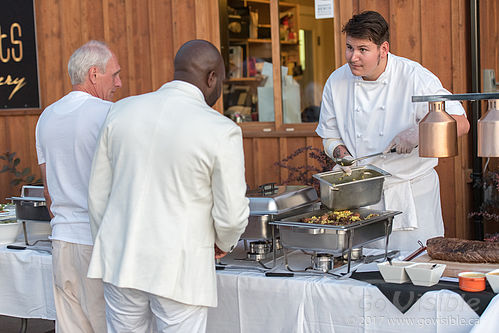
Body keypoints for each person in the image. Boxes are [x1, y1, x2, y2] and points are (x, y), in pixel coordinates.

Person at [86, 39, 249, 332]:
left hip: (121, 257)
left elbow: (98, 195)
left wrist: (111, 240)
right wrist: (223, 242)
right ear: (212, 78)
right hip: (180, 266)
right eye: (220, 82)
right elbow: (232, 214)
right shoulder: (220, 130)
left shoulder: (121, 111)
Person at [316, 11, 470, 251]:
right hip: (362, 197)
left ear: (383, 49)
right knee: (364, 274)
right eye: (349, 47)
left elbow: (461, 123)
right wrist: (340, 155)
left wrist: (417, 133)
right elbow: (329, 135)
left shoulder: (414, 76)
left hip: (411, 195)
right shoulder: (336, 81)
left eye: (363, 50)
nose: (353, 57)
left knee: (416, 267)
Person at [35, 40, 122, 332]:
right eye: (115, 74)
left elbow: (48, 190)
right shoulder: (107, 113)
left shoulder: (46, 117)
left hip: (61, 240)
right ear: (94, 74)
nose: (119, 83)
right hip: (97, 241)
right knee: (105, 326)